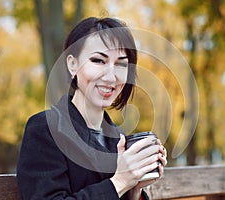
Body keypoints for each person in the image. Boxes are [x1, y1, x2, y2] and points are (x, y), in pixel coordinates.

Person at [17, 17, 167, 200]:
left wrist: (134, 188)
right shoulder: (46, 128)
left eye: (121, 64)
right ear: (72, 64)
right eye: (98, 60)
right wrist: (120, 181)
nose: (111, 77)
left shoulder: (118, 140)